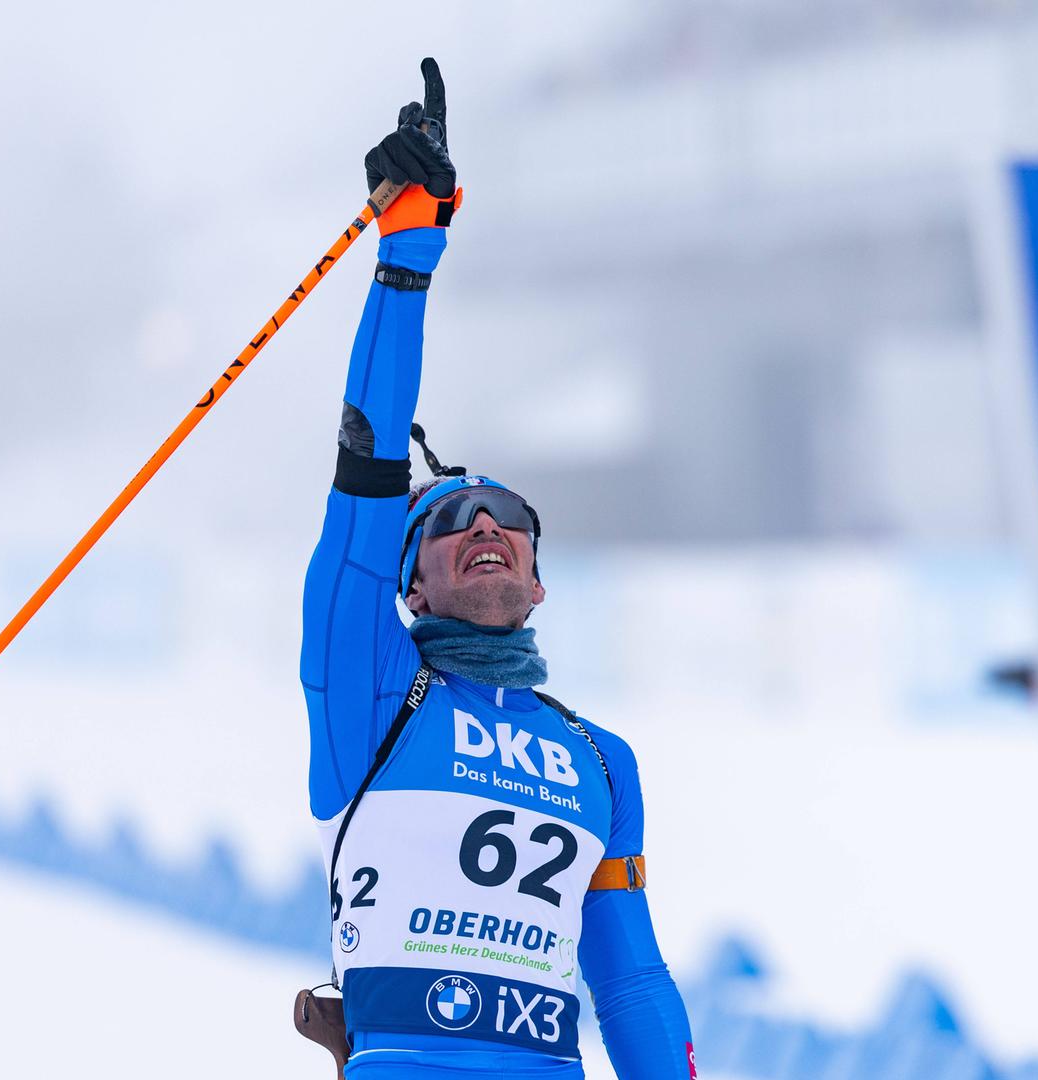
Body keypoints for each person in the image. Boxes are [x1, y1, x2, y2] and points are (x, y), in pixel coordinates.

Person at [300, 59, 695, 1079]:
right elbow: (367, 467)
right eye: (449, 520)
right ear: (410, 586)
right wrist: (407, 253)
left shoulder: (601, 760)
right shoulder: (376, 687)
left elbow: (632, 982)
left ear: (539, 580)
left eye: (511, 518)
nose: (484, 524)